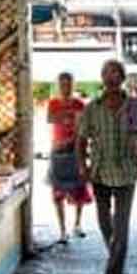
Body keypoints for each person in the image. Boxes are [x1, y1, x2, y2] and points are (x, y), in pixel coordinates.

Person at [76, 59, 137, 274]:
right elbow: (80, 141)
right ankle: (117, 258)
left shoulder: (136, 106)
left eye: (115, 73)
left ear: (122, 78)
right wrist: (82, 166)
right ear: (102, 78)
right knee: (104, 224)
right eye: (107, 73)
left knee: (121, 229)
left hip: (127, 173)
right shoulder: (92, 108)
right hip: (99, 173)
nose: (111, 77)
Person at [46, 72, 91, 244]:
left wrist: (73, 138)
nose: (65, 87)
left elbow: (82, 126)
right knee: (58, 192)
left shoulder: (79, 103)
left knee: (79, 188)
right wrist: (69, 117)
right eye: (62, 84)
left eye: (68, 84)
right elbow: (50, 118)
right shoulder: (53, 103)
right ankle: (62, 230)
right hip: (58, 150)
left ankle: (77, 224)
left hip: (75, 149)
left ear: (73, 85)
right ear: (58, 85)